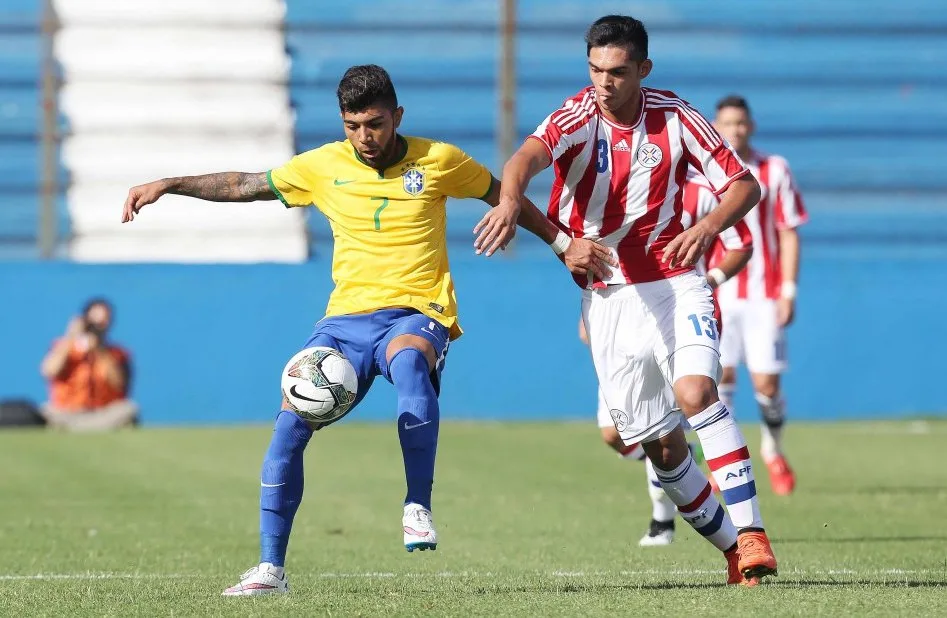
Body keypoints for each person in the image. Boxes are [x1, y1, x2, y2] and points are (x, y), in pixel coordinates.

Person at [121, 65, 613, 596]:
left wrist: (564, 246)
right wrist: (168, 184)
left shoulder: (440, 161)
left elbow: (505, 197)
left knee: (407, 362)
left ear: (397, 116)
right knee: (289, 425)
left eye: (375, 123)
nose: (364, 137)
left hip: (417, 312)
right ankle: (270, 568)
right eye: (353, 125)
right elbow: (244, 184)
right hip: (343, 323)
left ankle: (417, 505)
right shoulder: (321, 167)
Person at [482, 15, 778, 585]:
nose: (603, 82)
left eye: (617, 72)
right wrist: (511, 203)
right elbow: (522, 160)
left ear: (643, 69)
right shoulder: (574, 117)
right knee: (662, 450)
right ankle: (732, 554)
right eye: (594, 70)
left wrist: (711, 225)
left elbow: (745, 185)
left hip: (674, 282)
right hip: (609, 296)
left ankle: (752, 532)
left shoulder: (677, 116)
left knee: (696, 391)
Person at [580, 170, 753, 548]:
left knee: (683, 409)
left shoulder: (702, 192)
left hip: (679, 316)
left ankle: (711, 530)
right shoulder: (613, 185)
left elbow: (742, 243)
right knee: (617, 433)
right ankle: (682, 479)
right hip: (620, 316)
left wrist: (711, 280)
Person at [712, 95, 808, 496]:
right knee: (722, 376)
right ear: (717, 127)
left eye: (741, 123)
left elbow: (788, 232)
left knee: (766, 384)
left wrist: (788, 290)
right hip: (718, 289)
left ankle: (773, 448)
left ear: (750, 125)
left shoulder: (774, 169)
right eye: (727, 123)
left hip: (763, 294)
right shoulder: (704, 171)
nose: (735, 130)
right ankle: (726, 464)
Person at [40, 298, 138, 431]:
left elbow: (119, 384)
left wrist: (99, 350)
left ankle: (85, 428)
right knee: (44, 411)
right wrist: (70, 336)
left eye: (104, 321)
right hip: (66, 413)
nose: (98, 325)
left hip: (103, 414)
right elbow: (49, 371)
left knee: (129, 409)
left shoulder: (117, 353)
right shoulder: (63, 346)